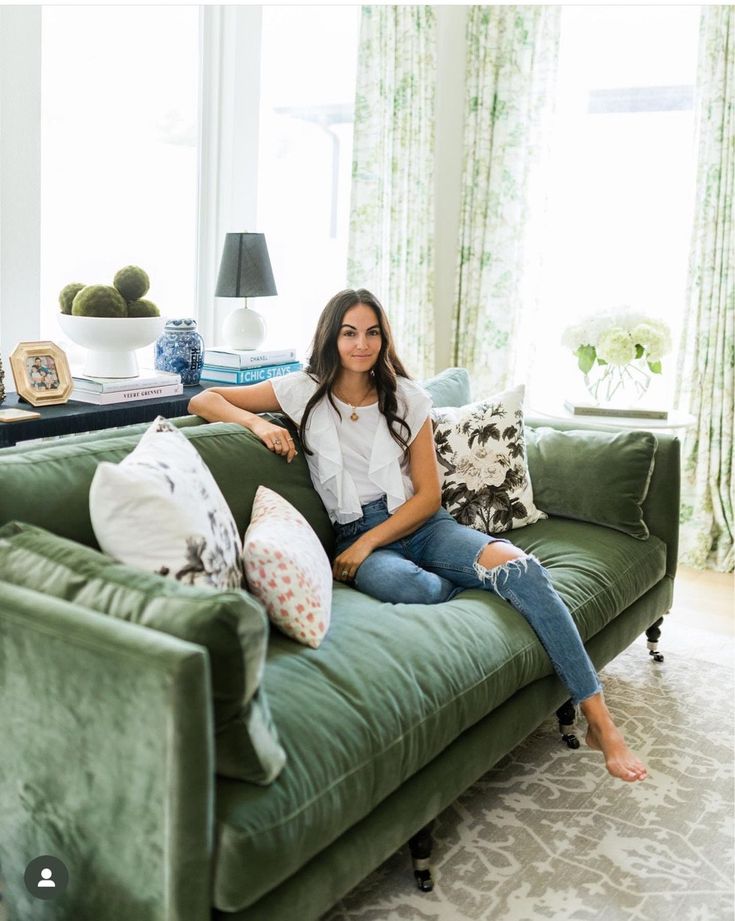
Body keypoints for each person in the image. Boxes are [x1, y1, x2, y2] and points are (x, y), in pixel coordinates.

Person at [189, 288, 648, 783]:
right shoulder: (300, 390)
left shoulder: (407, 398)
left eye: (371, 332)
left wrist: (368, 544)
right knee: (415, 588)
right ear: (331, 337)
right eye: (349, 333)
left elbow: (428, 496)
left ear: (383, 338)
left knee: (524, 568)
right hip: (354, 531)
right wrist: (256, 424)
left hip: (422, 526)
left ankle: (598, 717)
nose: (361, 344)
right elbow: (203, 398)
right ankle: (482, 588)